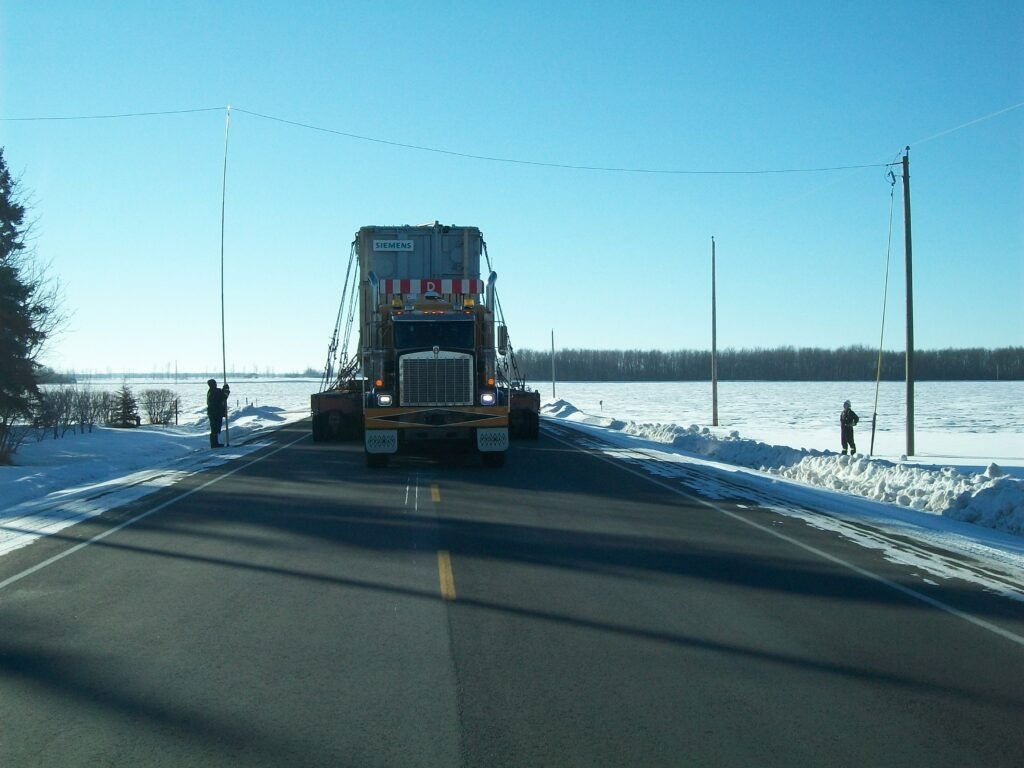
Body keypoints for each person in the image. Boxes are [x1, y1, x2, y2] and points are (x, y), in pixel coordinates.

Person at [206, 379, 228, 448]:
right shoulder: (213, 392)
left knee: (216, 428)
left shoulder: (215, 391)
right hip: (214, 412)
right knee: (215, 428)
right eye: (214, 383)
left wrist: (225, 389)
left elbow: (221, 393)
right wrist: (226, 391)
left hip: (216, 412)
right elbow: (223, 397)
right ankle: (214, 444)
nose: (215, 384)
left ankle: (215, 443)